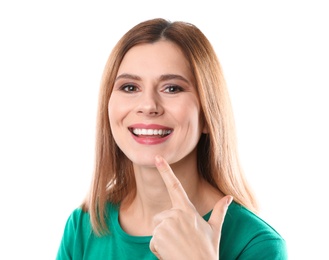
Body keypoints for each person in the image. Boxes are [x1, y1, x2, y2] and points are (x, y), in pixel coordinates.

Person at [56, 18, 288, 259]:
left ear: (208, 114)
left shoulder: (256, 245)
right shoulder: (84, 227)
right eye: (129, 87)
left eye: (172, 88)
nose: (148, 106)